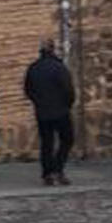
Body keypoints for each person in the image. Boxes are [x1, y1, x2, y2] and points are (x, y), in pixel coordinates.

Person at [24, 38, 77, 186]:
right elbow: (68, 89)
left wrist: (38, 102)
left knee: (47, 142)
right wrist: (68, 104)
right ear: (53, 49)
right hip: (60, 110)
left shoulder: (33, 68)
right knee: (67, 139)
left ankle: (47, 172)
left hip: (42, 111)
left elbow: (28, 90)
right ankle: (58, 169)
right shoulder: (58, 67)